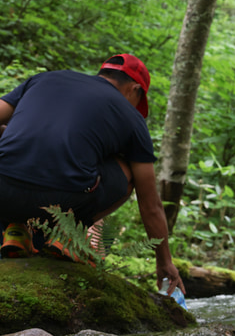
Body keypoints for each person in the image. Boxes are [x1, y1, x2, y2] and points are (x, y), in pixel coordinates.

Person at [0, 54, 186, 296]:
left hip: (3, 193)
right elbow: (150, 204)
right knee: (131, 170)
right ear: (135, 89)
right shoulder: (131, 117)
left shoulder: (43, 80)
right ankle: (69, 234)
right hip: (63, 199)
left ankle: (16, 229)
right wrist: (164, 262)